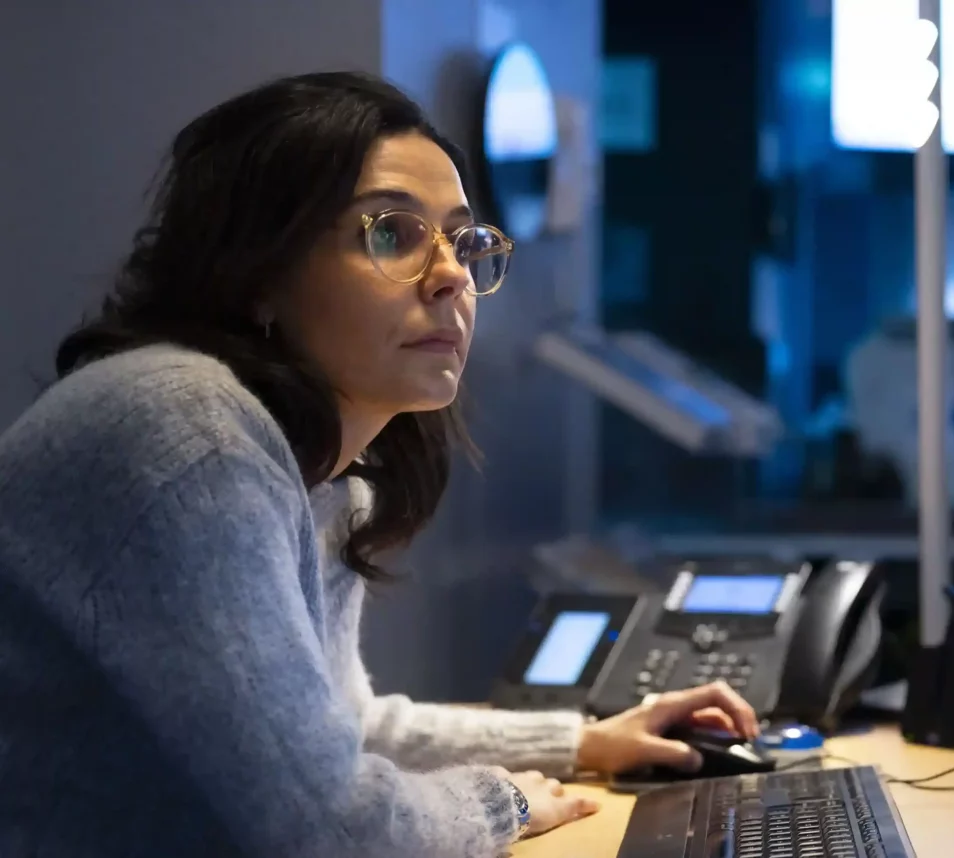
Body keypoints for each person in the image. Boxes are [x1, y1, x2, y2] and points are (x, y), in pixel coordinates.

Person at [0, 71, 758, 858]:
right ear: (257, 272)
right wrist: (501, 801)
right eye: (391, 234)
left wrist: (587, 742)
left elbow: (345, 725)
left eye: (466, 243)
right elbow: (327, 826)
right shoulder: (186, 433)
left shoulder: (320, 471)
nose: (454, 276)